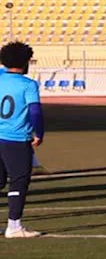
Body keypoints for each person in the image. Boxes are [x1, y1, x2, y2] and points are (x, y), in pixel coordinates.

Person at [0, 41, 44, 238]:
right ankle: (14, 226)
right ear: (26, 61)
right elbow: (35, 111)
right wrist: (39, 133)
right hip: (16, 139)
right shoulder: (28, 85)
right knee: (18, 181)